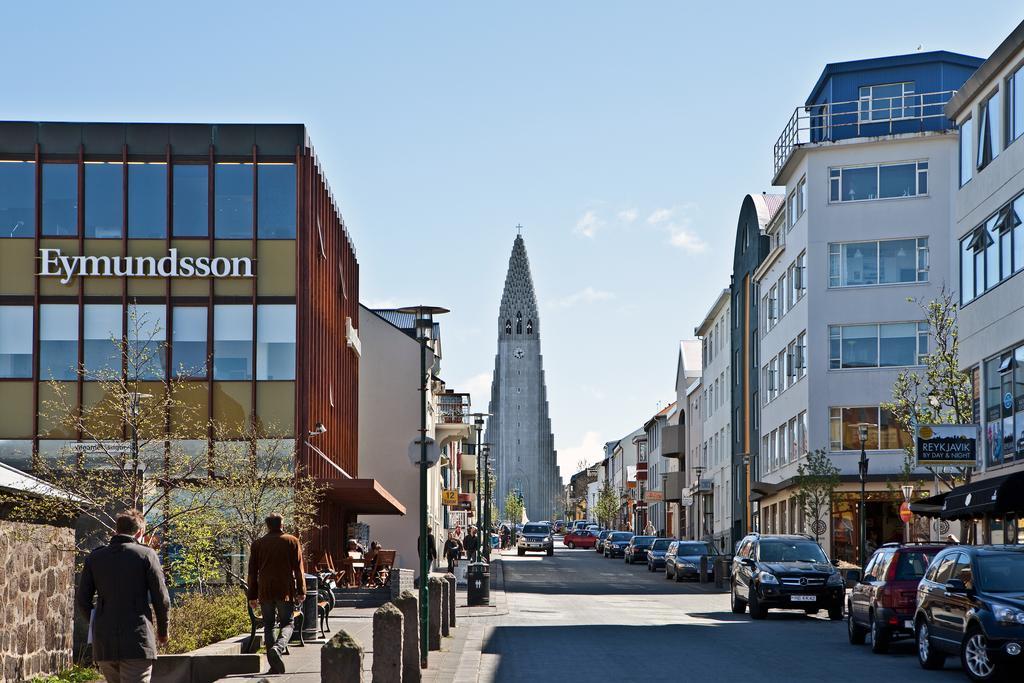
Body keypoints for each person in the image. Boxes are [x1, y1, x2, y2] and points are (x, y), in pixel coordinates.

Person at [77, 509, 170, 683]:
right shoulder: (146, 555)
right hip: (137, 640)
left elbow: (83, 601)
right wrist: (163, 632)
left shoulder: (95, 557)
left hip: (105, 644)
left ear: (116, 530)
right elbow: (161, 599)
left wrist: (98, 623)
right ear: (140, 532)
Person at [247, 513, 306, 675]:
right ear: (282, 524)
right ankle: (278, 648)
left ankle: (273, 664)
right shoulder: (292, 541)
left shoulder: (258, 544)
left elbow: (252, 572)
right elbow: (298, 570)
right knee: (288, 623)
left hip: (264, 589)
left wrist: (252, 595)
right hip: (284, 589)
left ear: (267, 525)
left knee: (269, 624)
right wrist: (301, 591)